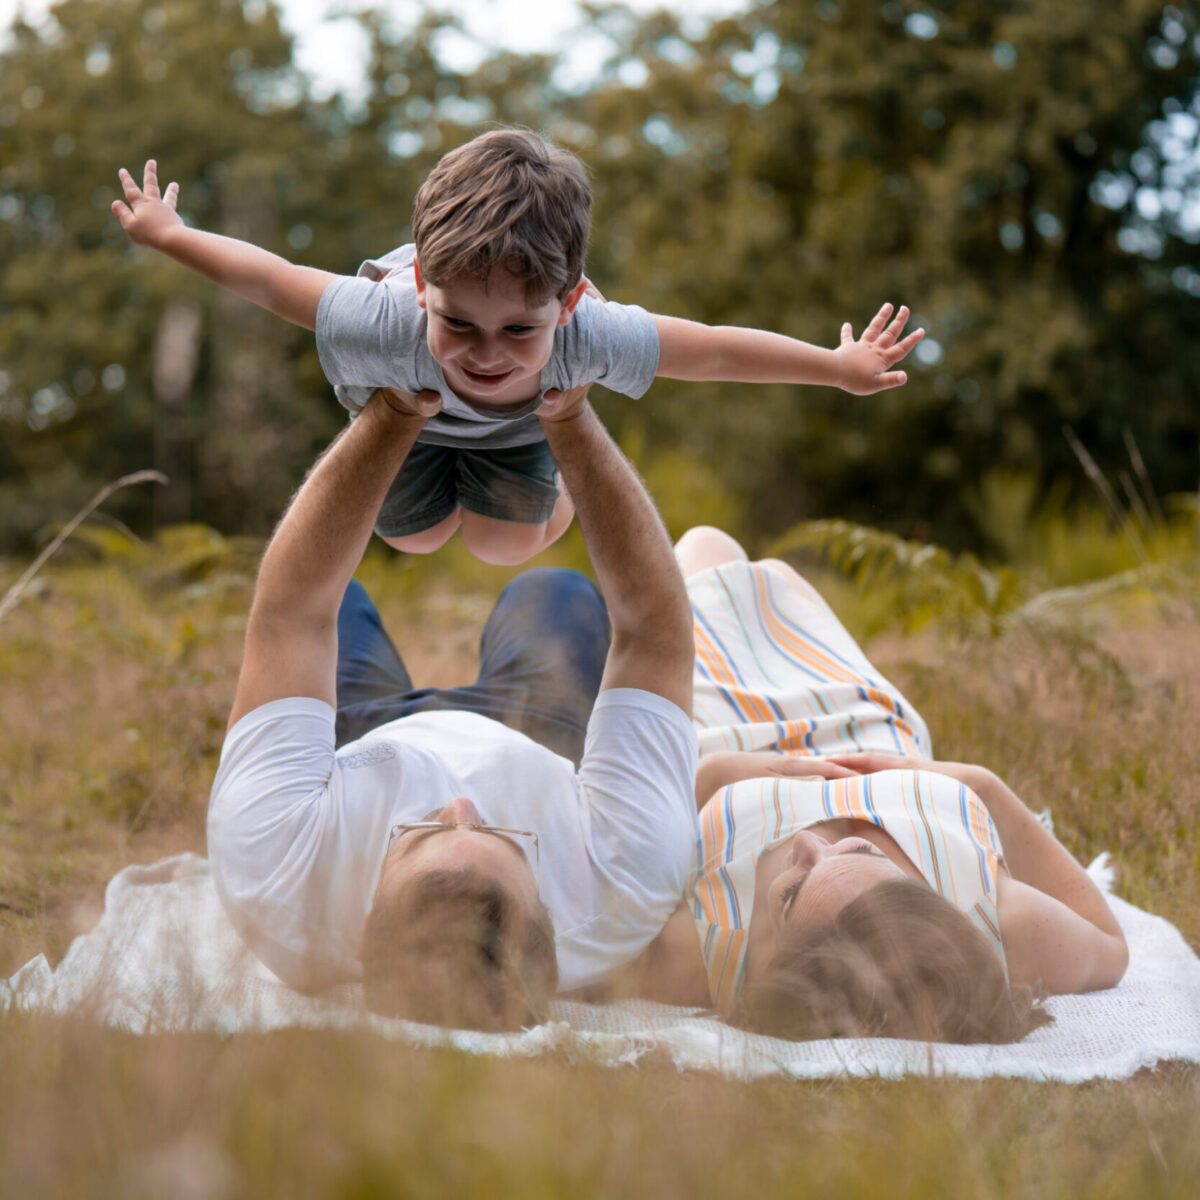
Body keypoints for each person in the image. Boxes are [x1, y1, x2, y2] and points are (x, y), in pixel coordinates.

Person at [111, 129, 923, 565]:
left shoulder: (581, 336)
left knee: (503, 548)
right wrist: (172, 234)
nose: (487, 353)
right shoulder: (384, 319)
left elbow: (711, 351)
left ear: (566, 303)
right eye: (458, 323)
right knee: (411, 535)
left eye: (518, 330)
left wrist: (836, 368)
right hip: (415, 426)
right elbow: (272, 280)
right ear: (424, 281)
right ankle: (449, 419)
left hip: (526, 431)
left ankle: (560, 475)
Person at [206, 380, 699, 1033]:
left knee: (335, 592)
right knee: (553, 589)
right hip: (540, 738)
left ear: (360, 931)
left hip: (358, 746)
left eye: (422, 835)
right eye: (506, 839)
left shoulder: (277, 882)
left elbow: (291, 615)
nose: (462, 805)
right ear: (554, 924)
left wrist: (396, 409)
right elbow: (655, 632)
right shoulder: (624, 889)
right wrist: (570, 414)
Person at [603, 526, 1129, 1043]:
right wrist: (983, 787)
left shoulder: (712, 956)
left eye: (792, 893)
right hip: (855, 712)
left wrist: (706, 778)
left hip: (723, 723)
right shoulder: (996, 920)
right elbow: (1110, 944)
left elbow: (578, 922)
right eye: (864, 853)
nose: (812, 843)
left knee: (707, 544)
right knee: (774, 576)